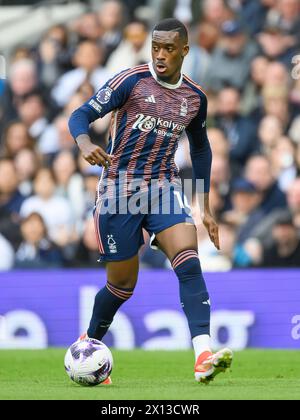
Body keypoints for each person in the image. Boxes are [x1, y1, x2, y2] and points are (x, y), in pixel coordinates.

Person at [69, 18, 233, 385]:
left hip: (162, 186)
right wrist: (83, 143)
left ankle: (203, 355)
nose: (160, 55)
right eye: (155, 47)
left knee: (189, 259)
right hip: (119, 191)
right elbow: (81, 114)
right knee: (122, 286)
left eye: (169, 49)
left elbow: (201, 147)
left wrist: (204, 206)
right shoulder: (130, 81)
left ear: (184, 51)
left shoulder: (194, 97)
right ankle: (89, 343)